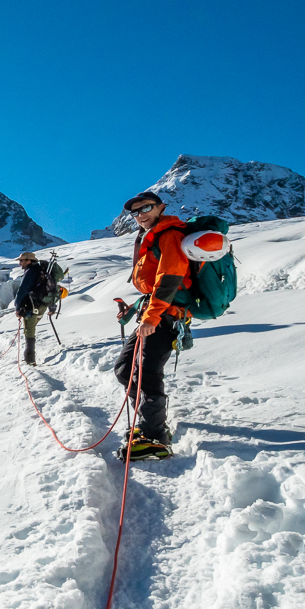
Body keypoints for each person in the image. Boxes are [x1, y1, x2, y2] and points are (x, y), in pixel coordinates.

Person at [114, 190, 189, 459]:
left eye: (146, 208)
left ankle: (155, 437)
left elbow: (170, 278)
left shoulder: (169, 234)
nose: (140, 215)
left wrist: (152, 317)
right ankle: (144, 425)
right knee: (125, 369)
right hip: (152, 312)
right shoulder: (152, 236)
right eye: (135, 212)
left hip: (166, 316)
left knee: (148, 372)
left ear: (161, 207)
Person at [13, 251, 65, 365]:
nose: (20, 264)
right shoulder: (42, 271)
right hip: (43, 305)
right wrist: (52, 307)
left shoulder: (31, 271)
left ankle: (30, 360)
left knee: (29, 332)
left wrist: (17, 307)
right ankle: (29, 358)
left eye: (21, 261)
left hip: (32, 304)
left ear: (28, 260)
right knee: (31, 329)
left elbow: (23, 290)